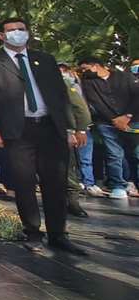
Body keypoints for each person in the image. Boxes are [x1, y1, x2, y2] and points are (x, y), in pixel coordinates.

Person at [0, 18, 86, 255]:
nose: (17, 33)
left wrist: (70, 128)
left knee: (56, 182)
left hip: (50, 128)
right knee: (24, 183)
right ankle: (33, 231)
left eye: (21, 29)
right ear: (1, 36)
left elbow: (60, 96)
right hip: (18, 130)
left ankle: (58, 234)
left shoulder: (44, 60)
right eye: (11, 30)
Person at [78, 57, 139, 199]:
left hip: (133, 120)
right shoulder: (88, 83)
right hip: (107, 123)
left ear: (96, 66)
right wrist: (115, 120)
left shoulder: (124, 77)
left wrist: (127, 117)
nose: (83, 72)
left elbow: (137, 97)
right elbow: (95, 103)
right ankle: (118, 185)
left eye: (85, 68)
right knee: (114, 154)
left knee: (136, 153)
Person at [57, 63, 92, 217]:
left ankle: (72, 201)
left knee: (68, 168)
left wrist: (80, 129)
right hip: (35, 131)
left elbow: (80, 107)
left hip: (64, 131)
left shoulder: (62, 82)